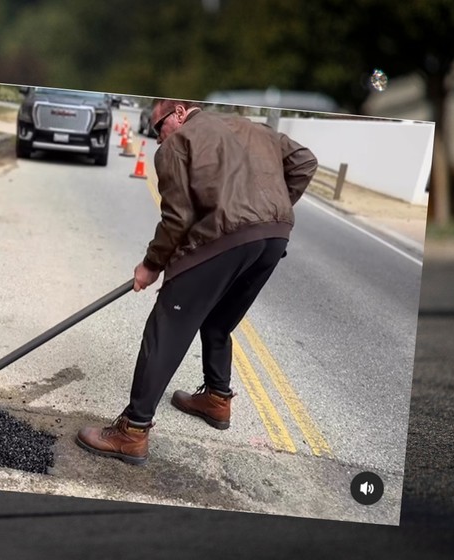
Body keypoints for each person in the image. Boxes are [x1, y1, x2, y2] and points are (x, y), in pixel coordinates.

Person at [76, 99, 318, 465]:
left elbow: (178, 219)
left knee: (167, 327)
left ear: (178, 111)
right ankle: (217, 399)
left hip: (224, 238)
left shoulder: (179, 143)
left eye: (158, 128)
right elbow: (304, 162)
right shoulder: (254, 128)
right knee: (219, 320)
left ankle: (132, 431)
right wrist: (275, 207)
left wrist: (150, 265)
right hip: (274, 237)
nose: (158, 140)